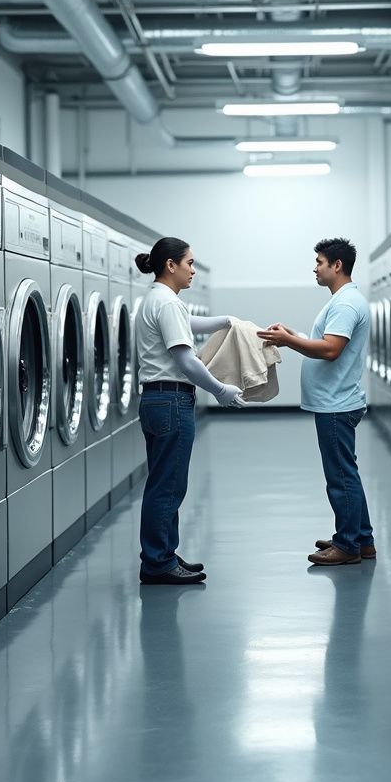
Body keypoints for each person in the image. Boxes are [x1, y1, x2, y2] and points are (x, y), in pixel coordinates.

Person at [134, 237, 246, 585]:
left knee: (163, 481)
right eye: (190, 263)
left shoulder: (159, 299)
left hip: (156, 399)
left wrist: (224, 321)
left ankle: (163, 554)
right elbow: (185, 360)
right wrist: (220, 390)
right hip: (171, 400)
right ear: (171, 265)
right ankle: (157, 562)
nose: (193, 270)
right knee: (168, 486)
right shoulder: (167, 303)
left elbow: (188, 324)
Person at [258, 237, 375, 566]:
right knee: (346, 471)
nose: (315, 268)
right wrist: (291, 334)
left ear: (337, 266)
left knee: (340, 476)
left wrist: (288, 341)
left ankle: (348, 544)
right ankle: (362, 539)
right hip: (336, 400)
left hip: (336, 403)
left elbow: (330, 349)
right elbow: (327, 342)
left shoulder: (345, 304)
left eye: (320, 262)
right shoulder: (343, 301)